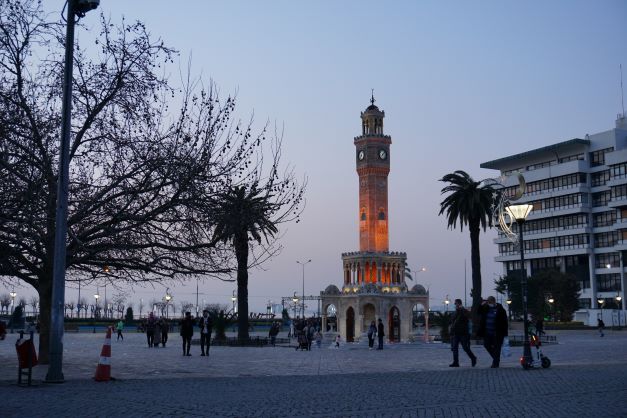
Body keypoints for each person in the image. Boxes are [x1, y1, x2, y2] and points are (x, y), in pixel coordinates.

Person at [477, 296, 508, 368]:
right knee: (487, 345)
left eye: (489, 302)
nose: (488, 303)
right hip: (487, 332)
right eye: (488, 302)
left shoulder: (500, 309)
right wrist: (481, 304)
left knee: (497, 347)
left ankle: (495, 363)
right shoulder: (486, 308)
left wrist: (505, 332)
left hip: (497, 332)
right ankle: (496, 358)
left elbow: (505, 321)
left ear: (494, 301)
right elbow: (479, 312)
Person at [449, 299, 477, 367]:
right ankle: (456, 362)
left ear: (459, 303)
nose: (455, 305)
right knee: (455, 347)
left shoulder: (464, 311)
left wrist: (461, 310)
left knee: (465, 347)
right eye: (455, 304)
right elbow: (453, 320)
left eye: (456, 303)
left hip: (463, 333)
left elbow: (467, 316)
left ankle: (473, 358)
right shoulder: (456, 312)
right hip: (456, 332)